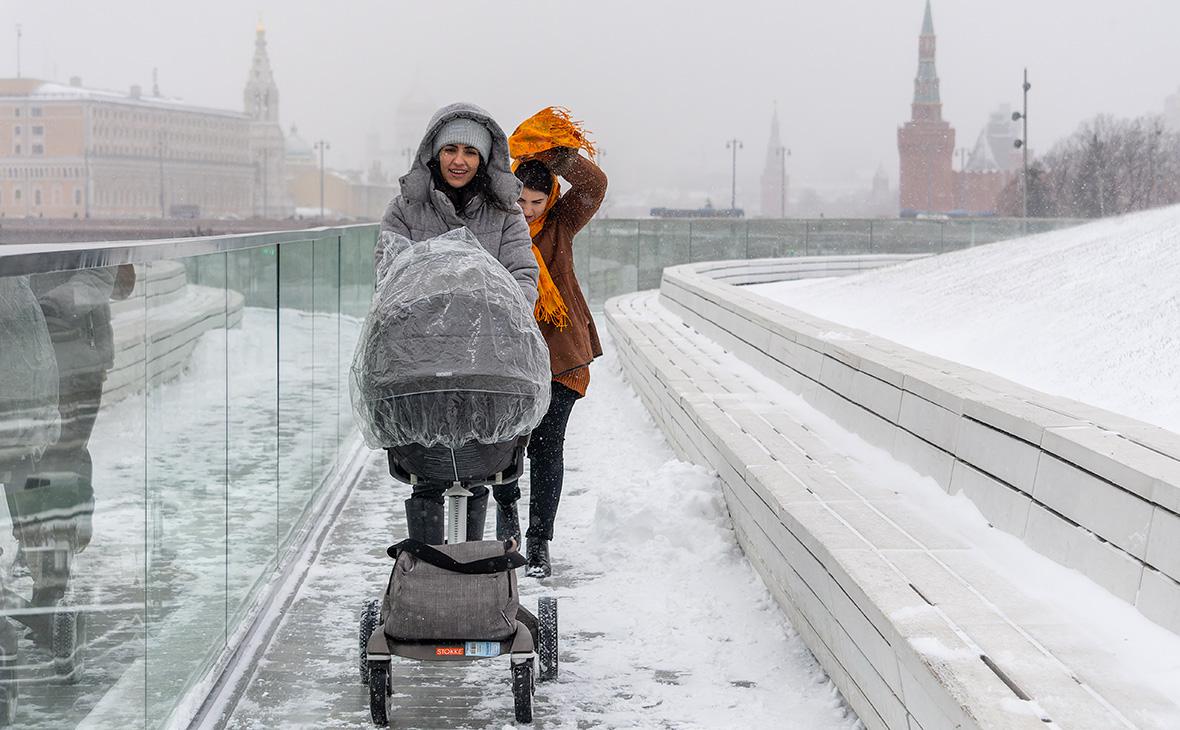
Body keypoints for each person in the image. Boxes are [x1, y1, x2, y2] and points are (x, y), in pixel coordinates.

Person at [378, 102, 539, 545]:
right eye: (451, 149)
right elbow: (389, 277)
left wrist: (494, 311)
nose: (459, 160)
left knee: (478, 464)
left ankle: (468, 571)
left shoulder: (505, 214)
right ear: (434, 152)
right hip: (421, 362)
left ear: (484, 159)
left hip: (486, 359)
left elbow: (524, 276)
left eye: (471, 151)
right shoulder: (405, 210)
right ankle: (430, 575)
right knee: (426, 472)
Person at [493, 107, 607, 578]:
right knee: (503, 445)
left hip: (562, 356)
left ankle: (539, 543)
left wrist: (553, 153)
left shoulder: (562, 225)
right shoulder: (496, 230)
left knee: (547, 445)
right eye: (521, 201)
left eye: (538, 202)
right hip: (511, 357)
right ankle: (507, 532)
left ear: (550, 199)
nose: (529, 211)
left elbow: (594, 187)